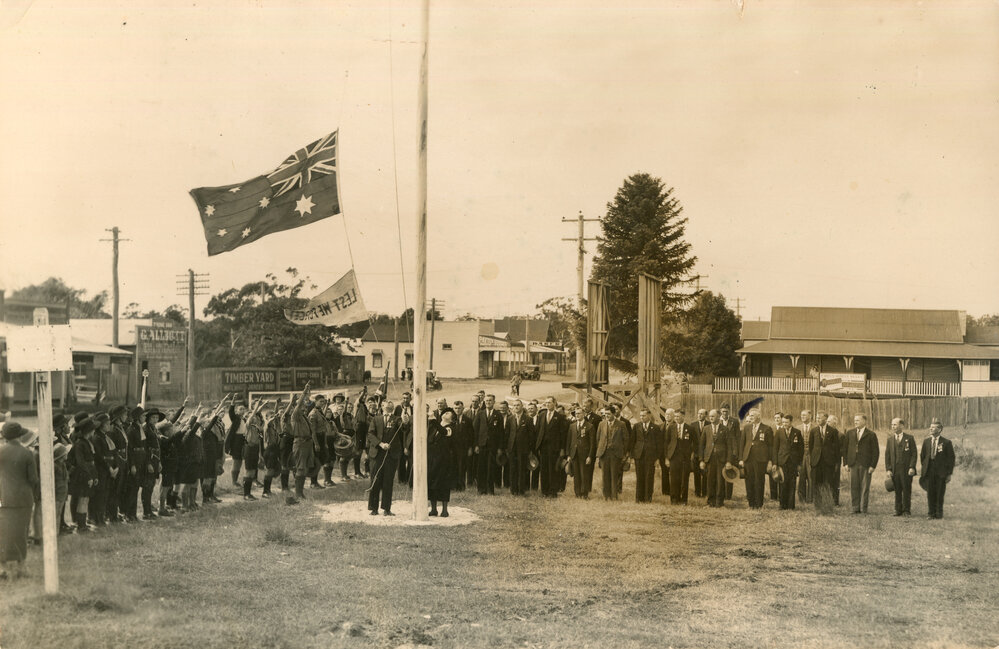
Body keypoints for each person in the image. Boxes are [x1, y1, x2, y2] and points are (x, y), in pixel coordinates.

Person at [0, 422, 40, 579]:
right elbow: (33, 479)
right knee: (21, 532)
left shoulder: (0, 451)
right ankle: (21, 567)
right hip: (23, 499)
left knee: (2, 532)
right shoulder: (27, 453)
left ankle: (2, 568)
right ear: (19, 435)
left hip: (3, 498)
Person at [367, 400, 406, 515]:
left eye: (391, 403)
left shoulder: (397, 419)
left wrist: (405, 420)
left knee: (388, 482)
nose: (389, 404)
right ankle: (374, 508)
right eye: (386, 403)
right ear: (382, 406)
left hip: (391, 455)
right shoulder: (376, 419)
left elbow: (404, 427)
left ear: (393, 407)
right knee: (375, 480)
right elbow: (370, 434)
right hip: (377, 454)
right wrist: (380, 444)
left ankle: (386, 509)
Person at [288, 385, 318, 504]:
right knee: (300, 468)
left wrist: (307, 395)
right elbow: (299, 405)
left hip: (307, 443)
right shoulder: (295, 416)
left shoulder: (304, 417)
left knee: (305, 468)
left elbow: (309, 405)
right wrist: (304, 392)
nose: (304, 409)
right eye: (302, 408)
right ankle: (298, 494)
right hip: (300, 443)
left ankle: (301, 492)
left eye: (305, 408)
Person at [919, 418, 955, 520]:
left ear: (939, 429)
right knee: (930, 492)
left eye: (933, 427)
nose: (931, 429)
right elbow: (923, 456)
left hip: (941, 472)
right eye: (930, 427)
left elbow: (951, 459)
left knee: (939, 493)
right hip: (929, 471)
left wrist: (949, 474)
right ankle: (931, 513)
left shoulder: (946, 443)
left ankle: (939, 513)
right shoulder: (926, 442)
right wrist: (925, 467)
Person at [843, 414, 879, 514]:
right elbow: (845, 449)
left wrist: (873, 466)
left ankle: (863, 508)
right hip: (852, 463)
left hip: (865, 464)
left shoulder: (871, 434)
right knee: (854, 486)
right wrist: (845, 463)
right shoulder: (850, 433)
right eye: (855, 420)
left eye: (858, 420)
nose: (855, 422)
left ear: (864, 421)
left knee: (864, 487)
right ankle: (855, 508)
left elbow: (875, 452)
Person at [699, 409, 736, 507]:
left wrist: (729, 461)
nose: (711, 418)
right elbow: (701, 446)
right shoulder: (706, 429)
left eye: (713, 416)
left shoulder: (725, 429)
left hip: (721, 459)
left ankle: (719, 502)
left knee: (720, 481)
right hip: (709, 459)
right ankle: (710, 501)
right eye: (710, 416)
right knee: (710, 480)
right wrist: (701, 460)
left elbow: (729, 447)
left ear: (718, 417)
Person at [739, 409, 774, 509]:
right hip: (748, 458)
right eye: (750, 415)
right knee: (749, 481)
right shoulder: (746, 428)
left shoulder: (767, 429)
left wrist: (770, 461)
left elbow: (770, 447)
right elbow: (742, 444)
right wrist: (741, 459)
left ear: (758, 416)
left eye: (753, 415)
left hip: (760, 460)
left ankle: (759, 504)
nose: (750, 417)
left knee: (759, 481)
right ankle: (751, 503)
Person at [68, 418, 98, 532]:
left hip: (88, 473)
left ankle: (83, 522)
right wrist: (88, 477)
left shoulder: (86, 442)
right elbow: (81, 462)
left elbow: (91, 461)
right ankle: (81, 525)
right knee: (82, 499)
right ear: (89, 431)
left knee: (85, 499)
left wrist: (94, 476)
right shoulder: (80, 444)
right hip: (82, 475)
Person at [428, 410, 458, 516]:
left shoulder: (451, 428)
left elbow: (444, 432)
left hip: (444, 461)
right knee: (431, 483)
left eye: (448, 413)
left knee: (443, 484)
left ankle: (445, 510)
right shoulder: (434, 426)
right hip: (432, 459)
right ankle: (433, 509)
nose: (445, 413)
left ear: (452, 419)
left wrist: (433, 420)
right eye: (445, 412)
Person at [885, 417, 917, 516]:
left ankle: (906, 510)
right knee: (897, 490)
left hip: (906, 470)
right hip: (895, 469)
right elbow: (887, 456)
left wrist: (912, 467)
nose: (893, 427)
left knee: (906, 489)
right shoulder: (890, 440)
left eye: (895, 424)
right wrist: (888, 469)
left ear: (901, 426)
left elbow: (914, 454)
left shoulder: (909, 438)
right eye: (892, 425)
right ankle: (897, 509)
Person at [535, 397, 566, 498]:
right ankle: (545, 491)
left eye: (549, 402)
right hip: (543, 447)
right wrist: (537, 446)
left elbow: (562, 435)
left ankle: (553, 491)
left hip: (554, 448)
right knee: (544, 469)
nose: (547, 404)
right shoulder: (541, 415)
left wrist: (562, 449)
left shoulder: (560, 417)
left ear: (555, 403)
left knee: (553, 469)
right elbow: (538, 431)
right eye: (546, 403)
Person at [808, 411, 840, 509]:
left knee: (828, 483)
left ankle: (828, 504)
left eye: (819, 418)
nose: (817, 420)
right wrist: (812, 460)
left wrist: (836, 463)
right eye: (817, 418)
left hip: (828, 462)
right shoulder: (813, 431)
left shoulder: (833, 431)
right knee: (816, 483)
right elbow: (811, 446)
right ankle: (817, 504)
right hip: (816, 462)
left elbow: (836, 449)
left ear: (825, 419)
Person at [473, 394, 503, 495]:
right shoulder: (480, 414)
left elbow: (500, 433)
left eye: (490, 401)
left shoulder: (498, 415)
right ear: (484, 402)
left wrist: (499, 447)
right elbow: (475, 430)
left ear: (494, 402)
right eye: (486, 401)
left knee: (491, 467)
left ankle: (490, 489)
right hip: (482, 445)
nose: (488, 402)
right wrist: (476, 445)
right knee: (481, 467)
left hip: (492, 446)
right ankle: (481, 489)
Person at [596, 407, 627, 500]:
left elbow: (626, 439)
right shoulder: (601, 424)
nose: (606, 416)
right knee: (605, 475)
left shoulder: (621, 424)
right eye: (605, 414)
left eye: (608, 414)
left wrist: (623, 453)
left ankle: (614, 496)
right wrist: (600, 450)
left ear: (614, 414)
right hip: (604, 453)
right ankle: (606, 496)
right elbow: (598, 439)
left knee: (614, 475)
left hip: (615, 454)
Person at [774, 413, 804, 510]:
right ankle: (782, 505)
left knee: (792, 483)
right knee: (782, 483)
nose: (784, 424)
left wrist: (799, 463)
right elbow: (775, 448)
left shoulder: (797, 432)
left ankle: (791, 505)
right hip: (782, 461)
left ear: (791, 422)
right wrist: (775, 463)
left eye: (786, 422)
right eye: (783, 422)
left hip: (793, 462)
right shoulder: (779, 432)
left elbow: (801, 449)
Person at [665, 409, 696, 505]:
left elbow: (695, 443)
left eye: (678, 416)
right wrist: (667, 458)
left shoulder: (690, 429)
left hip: (685, 458)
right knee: (674, 479)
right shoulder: (671, 427)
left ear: (683, 417)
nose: (676, 418)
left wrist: (692, 454)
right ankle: (674, 500)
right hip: (673, 457)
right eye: (675, 416)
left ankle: (684, 500)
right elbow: (666, 443)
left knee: (684, 479)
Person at [632, 408, 663, 503]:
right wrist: (633, 456)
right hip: (639, 455)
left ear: (649, 416)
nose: (642, 417)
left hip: (650, 456)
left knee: (649, 477)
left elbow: (659, 444)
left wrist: (657, 458)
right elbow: (632, 441)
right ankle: (638, 498)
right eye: (640, 415)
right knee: (639, 476)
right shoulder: (636, 426)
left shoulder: (656, 428)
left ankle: (647, 498)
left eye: (644, 415)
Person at [566, 406, 596, 498]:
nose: (577, 415)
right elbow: (569, 441)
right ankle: (577, 493)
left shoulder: (589, 426)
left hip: (584, 454)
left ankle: (584, 493)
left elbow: (592, 443)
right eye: (576, 413)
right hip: (574, 454)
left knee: (584, 474)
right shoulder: (572, 426)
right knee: (576, 474)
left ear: (583, 414)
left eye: (579, 413)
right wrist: (568, 454)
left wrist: (590, 456)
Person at [505, 399, 533, 496]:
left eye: (518, 405)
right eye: (514, 405)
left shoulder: (528, 419)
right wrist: (507, 448)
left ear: (522, 407)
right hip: (512, 448)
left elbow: (531, 436)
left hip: (523, 449)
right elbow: (507, 435)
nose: (516, 407)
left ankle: (521, 490)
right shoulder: (510, 419)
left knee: (522, 469)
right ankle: (513, 490)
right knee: (512, 469)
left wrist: (530, 450)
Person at [718, 404, 740, 500]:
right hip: (721, 449)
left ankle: (728, 496)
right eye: (723, 411)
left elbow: (737, 437)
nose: (724, 413)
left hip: (731, 449)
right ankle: (720, 493)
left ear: (729, 411)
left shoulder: (734, 421)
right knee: (720, 473)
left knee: (729, 471)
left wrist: (736, 451)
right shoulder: (717, 420)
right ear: (720, 411)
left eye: (726, 411)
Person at [798, 410, 816, 504]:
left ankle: (810, 498)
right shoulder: (798, 428)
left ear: (810, 416)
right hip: (801, 455)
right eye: (801, 415)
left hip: (811, 455)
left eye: (804, 415)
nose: (802, 416)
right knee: (801, 476)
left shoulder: (815, 428)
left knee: (811, 476)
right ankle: (801, 498)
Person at [691, 409, 708, 497]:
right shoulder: (693, 425)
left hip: (706, 453)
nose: (699, 415)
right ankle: (697, 492)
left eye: (701, 414)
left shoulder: (709, 424)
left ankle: (705, 492)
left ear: (706, 415)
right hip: (696, 453)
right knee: (696, 474)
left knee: (705, 474)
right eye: (698, 414)